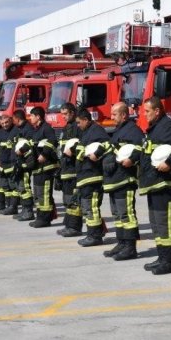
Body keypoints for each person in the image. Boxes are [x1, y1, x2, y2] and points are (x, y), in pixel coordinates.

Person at [138, 96, 171, 275]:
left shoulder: (167, 125)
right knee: (156, 223)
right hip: (153, 183)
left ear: (157, 111)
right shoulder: (154, 128)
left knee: (165, 223)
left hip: (164, 183)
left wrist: (169, 162)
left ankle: (169, 261)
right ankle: (162, 257)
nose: (144, 115)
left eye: (147, 111)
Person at [101, 102, 145, 260]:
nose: (111, 117)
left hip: (125, 180)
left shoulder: (133, 130)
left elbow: (141, 148)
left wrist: (132, 159)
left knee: (126, 214)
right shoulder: (119, 130)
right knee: (117, 214)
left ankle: (130, 247)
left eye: (114, 114)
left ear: (124, 115)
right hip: (114, 180)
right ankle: (121, 242)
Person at [72, 108, 111, 246]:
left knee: (91, 207)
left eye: (78, 122)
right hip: (85, 175)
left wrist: (97, 154)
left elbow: (107, 145)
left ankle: (94, 236)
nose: (77, 125)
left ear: (86, 120)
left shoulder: (97, 130)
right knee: (87, 206)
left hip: (93, 176)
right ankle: (96, 232)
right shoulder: (87, 132)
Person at [27, 106, 59, 228]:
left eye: (31, 116)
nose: (30, 118)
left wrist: (44, 154)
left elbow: (52, 142)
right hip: (38, 168)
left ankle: (44, 219)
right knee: (38, 193)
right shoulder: (37, 130)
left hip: (46, 167)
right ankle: (41, 217)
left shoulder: (47, 129)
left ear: (38, 117)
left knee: (44, 193)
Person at [56, 103, 84, 237]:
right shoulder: (66, 128)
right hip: (65, 169)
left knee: (73, 200)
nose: (63, 117)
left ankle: (74, 227)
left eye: (65, 114)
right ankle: (68, 224)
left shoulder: (77, 127)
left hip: (73, 170)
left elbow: (80, 146)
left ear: (73, 113)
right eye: (62, 114)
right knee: (67, 199)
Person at [10, 109, 35, 221]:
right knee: (20, 187)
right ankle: (24, 210)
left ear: (18, 119)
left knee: (25, 188)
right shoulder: (19, 128)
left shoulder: (28, 129)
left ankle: (28, 211)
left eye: (13, 119)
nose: (13, 121)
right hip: (19, 162)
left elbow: (30, 146)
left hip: (25, 163)